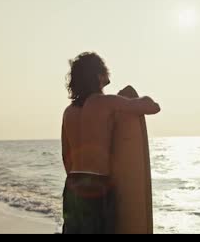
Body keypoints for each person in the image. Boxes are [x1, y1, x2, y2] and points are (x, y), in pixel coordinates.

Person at [61, 52, 160, 234]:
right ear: (98, 75)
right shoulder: (106, 102)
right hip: (98, 185)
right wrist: (140, 99)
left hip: (72, 185)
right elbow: (152, 107)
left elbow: (65, 156)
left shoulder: (68, 112)